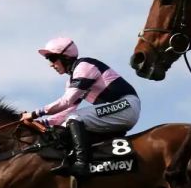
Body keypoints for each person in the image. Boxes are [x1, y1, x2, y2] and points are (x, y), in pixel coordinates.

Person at [21, 37, 141, 176]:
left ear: (66, 57)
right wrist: (43, 123)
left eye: (52, 58)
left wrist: (35, 114)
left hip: (127, 105)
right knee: (65, 124)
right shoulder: (72, 80)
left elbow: (66, 101)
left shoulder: (84, 66)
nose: (50, 64)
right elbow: (66, 110)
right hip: (117, 110)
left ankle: (82, 164)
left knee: (74, 118)